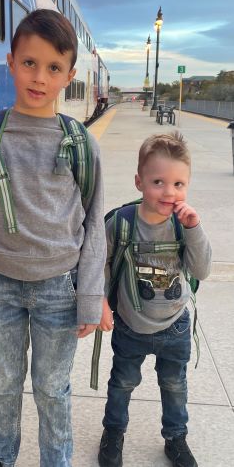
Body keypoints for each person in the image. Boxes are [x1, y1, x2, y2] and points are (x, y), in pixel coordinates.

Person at [0, 9, 106, 467]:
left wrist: (91, 293)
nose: (39, 77)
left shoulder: (80, 144)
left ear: (70, 75)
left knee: (53, 388)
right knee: (4, 381)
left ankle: (57, 460)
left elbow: (94, 226)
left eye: (54, 68)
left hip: (60, 289)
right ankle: (0, 457)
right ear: (10, 61)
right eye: (29, 63)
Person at [98, 132, 211, 467]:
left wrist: (194, 228)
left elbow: (201, 270)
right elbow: (100, 265)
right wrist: (100, 303)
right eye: (158, 181)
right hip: (131, 326)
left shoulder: (183, 225)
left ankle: (176, 438)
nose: (169, 192)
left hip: (175, 327)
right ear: (139, 182)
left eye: (179, 184)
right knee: (122, 383)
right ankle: (113, 433)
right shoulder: (120, 224)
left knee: (174, 386)